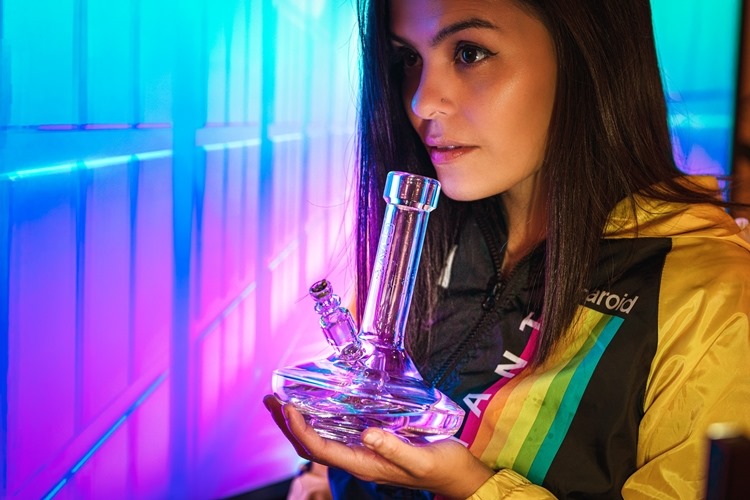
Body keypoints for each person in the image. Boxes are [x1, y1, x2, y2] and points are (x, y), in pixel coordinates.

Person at [264, 0, 750, 497]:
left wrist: (474, 487)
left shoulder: (711, 299)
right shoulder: (427, 233)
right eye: (408, 59)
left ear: (588, 55)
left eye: (470, 53)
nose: (422, 102)